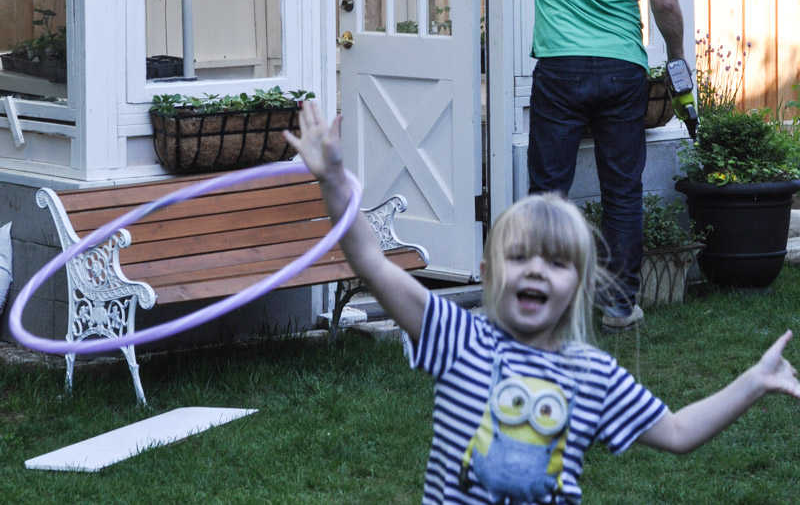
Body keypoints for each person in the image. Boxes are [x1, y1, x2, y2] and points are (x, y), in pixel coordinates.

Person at [286, 99, 800, 505]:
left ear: (576, 288)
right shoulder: (457, 337)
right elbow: (372, 262)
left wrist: (754, 382)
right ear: (488, 277)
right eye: (520, 258)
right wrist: (332, 181)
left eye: (555, 263)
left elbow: (678, 431)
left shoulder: (593, 375)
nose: (535, 269)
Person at [508, 0, 686, 331]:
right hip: (621, 70)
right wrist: (675, 56)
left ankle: (544, 304)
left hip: (560, 66)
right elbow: (665, 1)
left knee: (548, 192)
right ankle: (616, 306)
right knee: (622, 190)